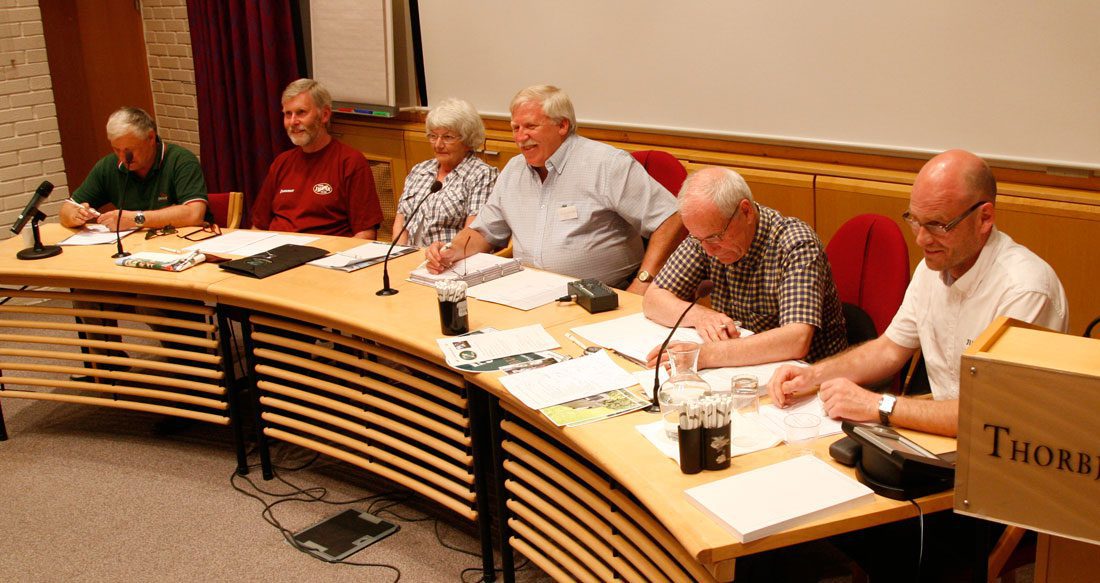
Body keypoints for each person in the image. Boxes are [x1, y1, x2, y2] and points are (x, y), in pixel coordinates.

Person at [769, 149, 1067, 437]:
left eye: (937, 225)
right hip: (943, 434)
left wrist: (879, 405)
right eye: (915, 221)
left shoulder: (1025, 290)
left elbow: (992, 416)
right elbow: (889, 349)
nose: (922, 239)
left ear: (984, 218)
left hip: (996, 449)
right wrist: (813, 375)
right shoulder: (932, 268)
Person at [424, 85, 685, 294]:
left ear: (562, 126)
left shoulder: (607, 164)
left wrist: (643, 282)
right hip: (528, 293)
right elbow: (484, 231)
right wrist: (451, 251)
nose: (520, 137)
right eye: (515, 128)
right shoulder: (513, 170)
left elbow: (671, 218)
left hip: (605, 295)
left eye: (530, 126)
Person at [644, 167, 847, 368]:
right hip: (744, 368)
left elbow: (796, 339)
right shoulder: (705, 236)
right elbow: (653, 298)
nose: (708, 251)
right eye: (698, 239)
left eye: (715, 238)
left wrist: (703, 355)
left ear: (746, 211)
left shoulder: (795, 244)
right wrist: (699, 316)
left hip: (813, 375)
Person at [252, 78, 383, 239]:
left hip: (325, 252)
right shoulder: (281, 162)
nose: (293, 122)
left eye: (301, 112)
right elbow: (258, 226)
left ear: (324, 115)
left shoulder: (350, 162)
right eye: (288, 114)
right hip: (276, 249)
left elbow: (365, 233)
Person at [60, 106, 209, 230]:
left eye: (129, 151)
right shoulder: (108, 166)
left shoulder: (181, 160)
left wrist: (136, 219)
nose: (122, 158)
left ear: (151, 138)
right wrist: (74, 216)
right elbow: (67, 209)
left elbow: (194, 214)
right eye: (116, 149)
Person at [393, 98, 498, 247]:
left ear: (468, 140)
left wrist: (444, 254)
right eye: (433, 136)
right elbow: (401, 222)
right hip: (410, 255)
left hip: (450, 256)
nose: (438, 144)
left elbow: (473, 233)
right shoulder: (420, 170)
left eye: (447, 137)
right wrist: (399, 254)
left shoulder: (482, 175)